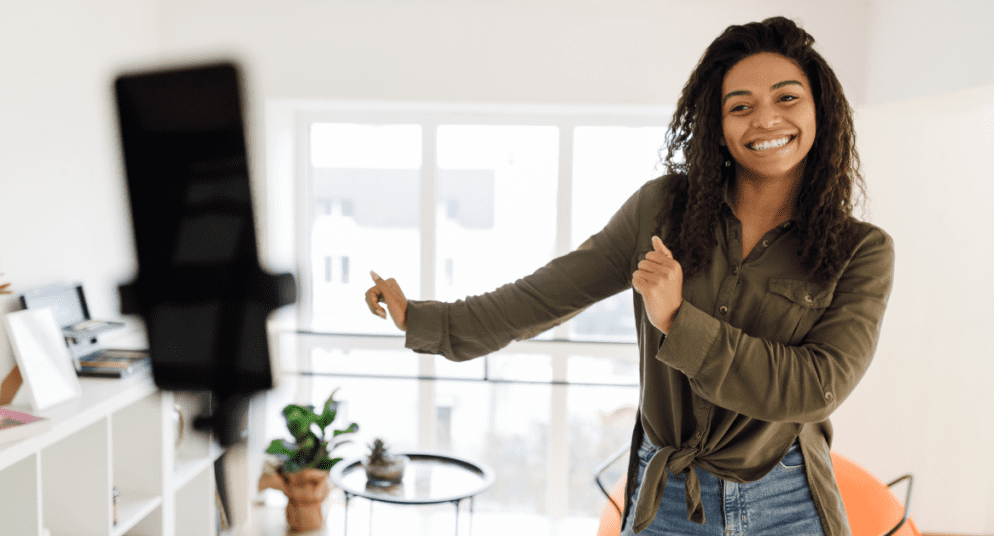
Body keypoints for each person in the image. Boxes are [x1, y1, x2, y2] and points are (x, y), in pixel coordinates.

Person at [364, 16, 893, 536]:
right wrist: (423, 318)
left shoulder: (861, 251)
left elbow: (814, 387)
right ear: (718, 124)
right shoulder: (661, 209)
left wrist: (679, 321)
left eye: (787, 98)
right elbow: (545, 294)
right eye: (741, 106)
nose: (766, 120)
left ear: (820, 110)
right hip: (668, 501)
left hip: (787, 502)